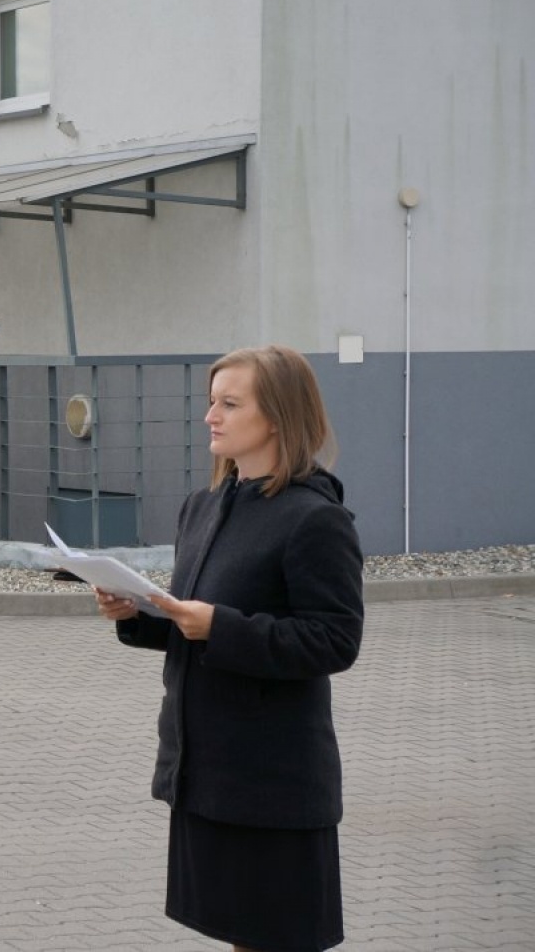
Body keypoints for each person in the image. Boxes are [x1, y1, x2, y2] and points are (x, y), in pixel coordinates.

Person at [97, 344, 364, 952]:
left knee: (277, 939)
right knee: (238, 936)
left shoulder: (314, 519)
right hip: (207, 771)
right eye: (211, 401)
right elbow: (194, 617)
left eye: (230, 404)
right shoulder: (203, 507)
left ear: (278, 416)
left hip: (273, 782)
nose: (210, 416)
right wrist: (137, 614)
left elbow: (335, 640)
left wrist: (221, 627)